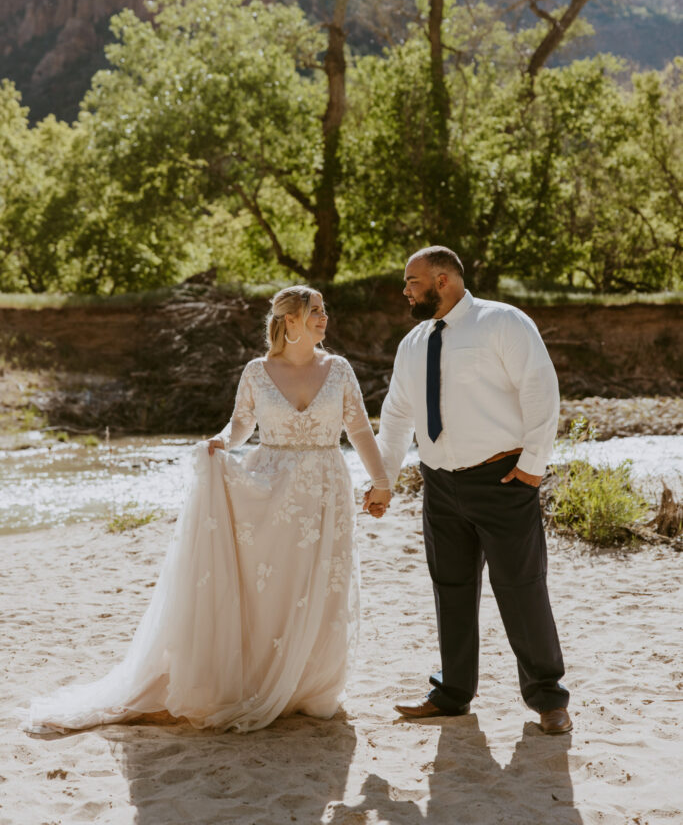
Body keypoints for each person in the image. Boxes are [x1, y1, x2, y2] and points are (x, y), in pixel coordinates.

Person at [24, 286, 391, 735]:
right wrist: (222, 441)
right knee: (273, 587)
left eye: (324, 310)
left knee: (320, 585)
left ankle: (309, 686)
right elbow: (240, 424)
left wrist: (381, 481)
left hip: (327, 490)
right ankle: (265, 680)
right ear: (290, 320)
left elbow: (358, 429)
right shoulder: (258, 371)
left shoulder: (339, 370)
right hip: (270, 488)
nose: (324, 317)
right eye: (315, 311)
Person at [376, 246, 571, 735]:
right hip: (438, 484)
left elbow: (540, 389)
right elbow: (398, 415)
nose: (405, 290)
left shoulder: (502, 321)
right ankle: (453, 693)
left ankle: (548, 698)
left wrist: (532, 466)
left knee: (521, 588)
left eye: (412, 281)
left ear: (443, 280)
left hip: (501, 480)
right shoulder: (413, 343)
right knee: (452, 590)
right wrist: (384, 478)